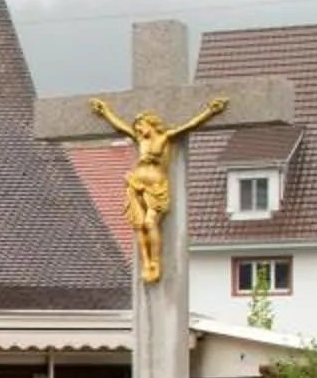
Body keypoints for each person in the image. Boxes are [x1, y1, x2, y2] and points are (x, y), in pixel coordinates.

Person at [89, 94, 229, 283]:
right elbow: (119, 125)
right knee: (138, 227)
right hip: (135, 184)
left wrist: (209, 112)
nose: (138, 129)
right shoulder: (140, 141)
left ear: (150, 124)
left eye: (141, 125)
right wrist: (105, 111)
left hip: (155, 186)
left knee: (150, 223)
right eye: (137, 126)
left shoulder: (164, 137)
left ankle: (155, 261)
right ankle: (146, 263)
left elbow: (190, 125)